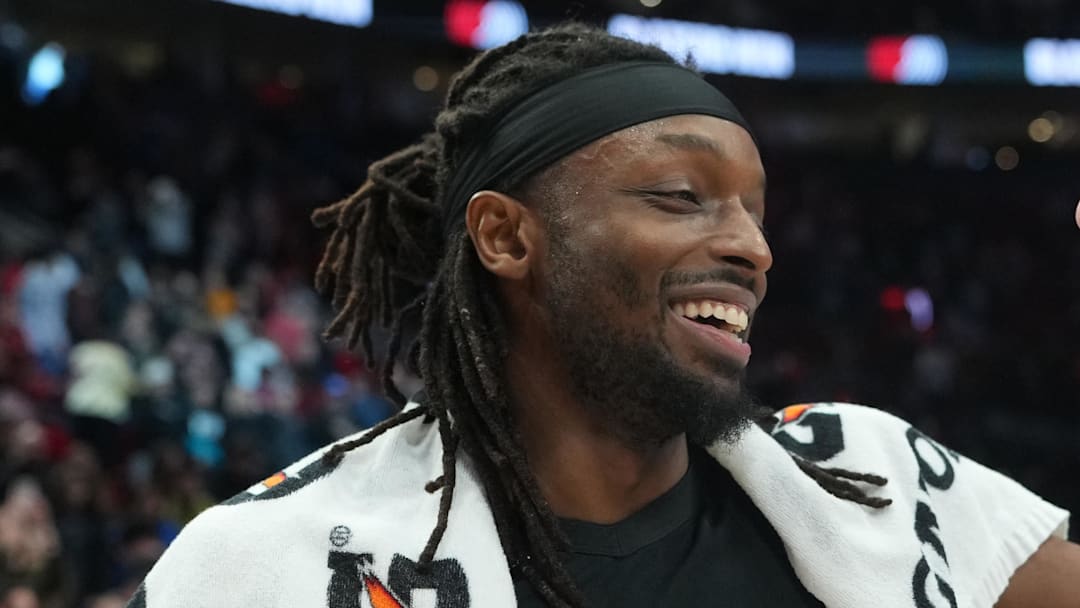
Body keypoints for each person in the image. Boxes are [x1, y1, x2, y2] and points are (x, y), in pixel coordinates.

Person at [126, 24, 1078, 607]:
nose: (753, 247)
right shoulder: (274, 562)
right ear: (505, 237)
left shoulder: (872, 479)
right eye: (680, 195)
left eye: (755, 207)